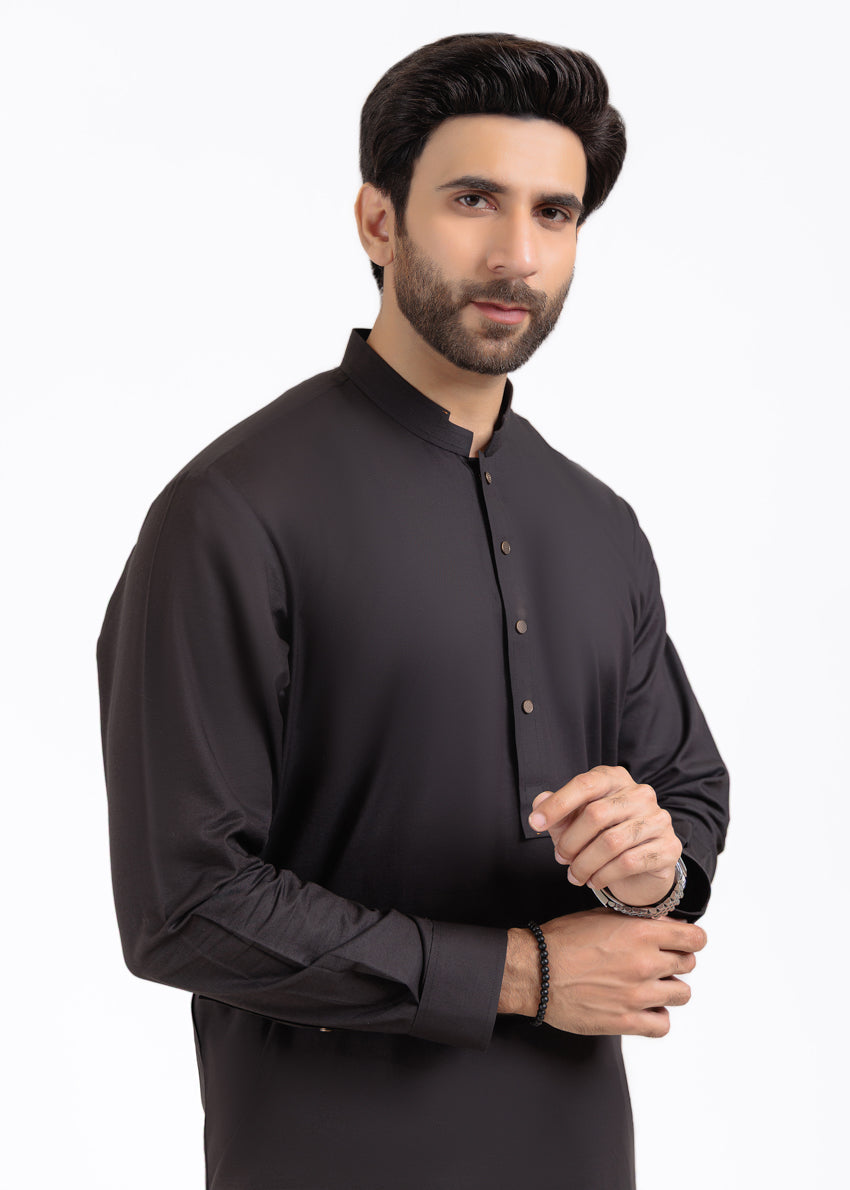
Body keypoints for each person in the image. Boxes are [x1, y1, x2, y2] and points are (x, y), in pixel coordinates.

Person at [97, 31, 729, 1190]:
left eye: (554, 213)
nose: (516, 254)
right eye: (472, 199)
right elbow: (186, 902)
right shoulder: (233, 511)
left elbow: (686, 788)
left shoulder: (599, 524)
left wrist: (647, 866)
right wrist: (524, 972)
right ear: (378, 221)